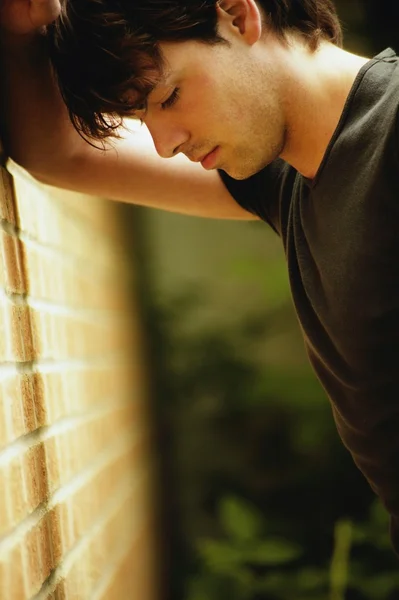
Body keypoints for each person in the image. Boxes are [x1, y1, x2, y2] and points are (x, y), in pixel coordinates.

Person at [2, 0, 399, 559]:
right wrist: (21, 32)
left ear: (239, 16)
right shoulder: (285, 183)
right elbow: (60, 152)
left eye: (169, 97)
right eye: (144, 118)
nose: (164, 144)